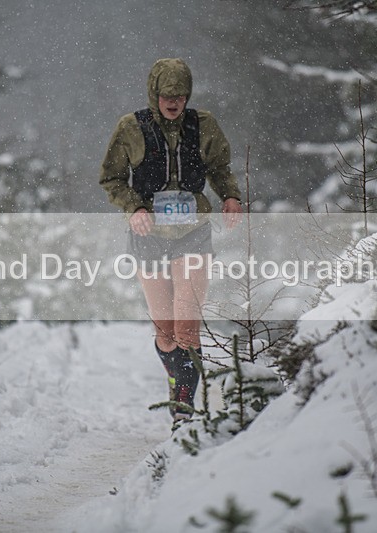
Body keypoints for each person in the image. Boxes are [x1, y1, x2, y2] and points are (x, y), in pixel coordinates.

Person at [99, 58, 243, 424]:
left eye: (180, 94)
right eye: (167, 95)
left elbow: (219, 169)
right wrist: (134, 208)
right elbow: (112, 179)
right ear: (154, 94)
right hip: (149, 235)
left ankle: (183, 408)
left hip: (193, 231)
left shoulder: (204, 125)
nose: (174, 101)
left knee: (186, 325)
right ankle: (178, 375)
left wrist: (230, 196)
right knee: (165, 332)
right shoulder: (131, 127)